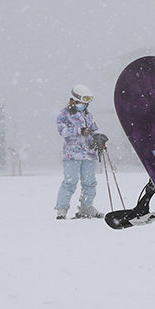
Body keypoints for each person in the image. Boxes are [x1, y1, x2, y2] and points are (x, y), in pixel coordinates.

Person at [54, 85, 103, 219]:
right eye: (82, 102)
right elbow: (63, 131)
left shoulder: (88, 116)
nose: (84, 105)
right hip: (72, 155)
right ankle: (62, 209)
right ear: (72, 100)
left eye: (86, 103)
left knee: (90, 182)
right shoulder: (64, 115)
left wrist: (98, 138)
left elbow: (93, 130)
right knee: (70, 182)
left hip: (89, 154)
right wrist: (78, 130)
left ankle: (86, 207)